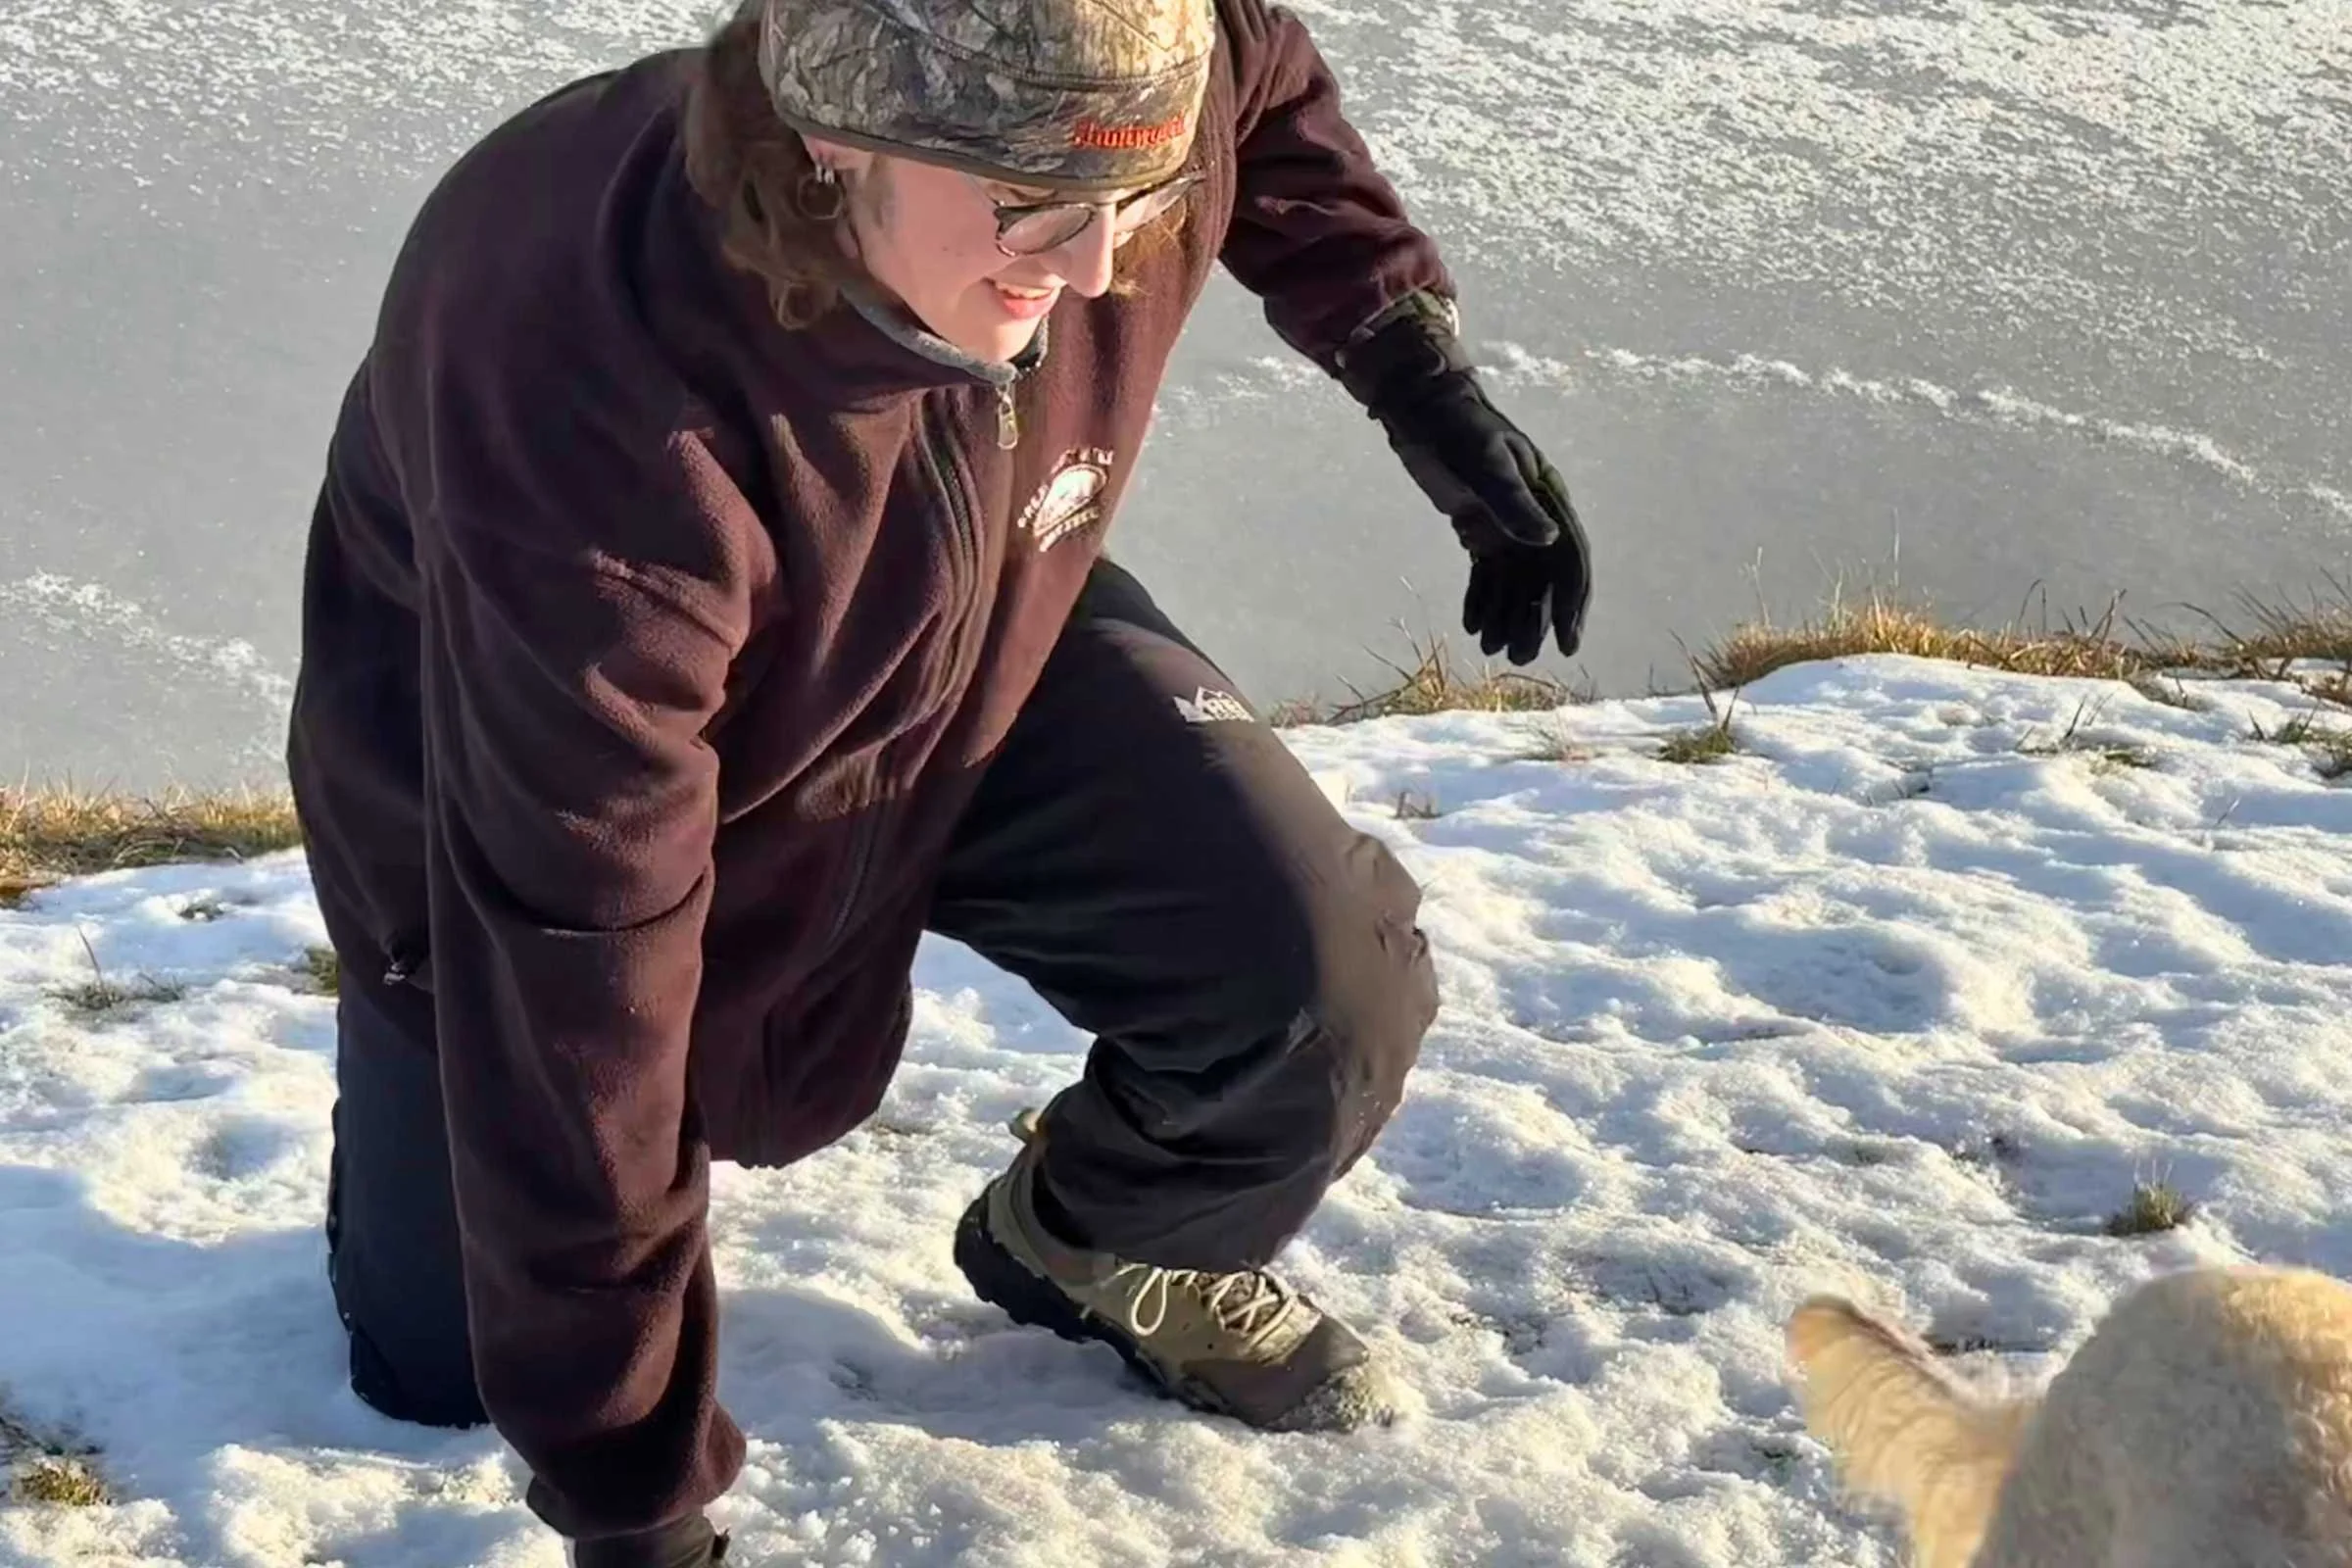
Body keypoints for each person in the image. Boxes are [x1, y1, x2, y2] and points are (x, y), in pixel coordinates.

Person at [284, 0, 1592, 1560]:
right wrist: (637, 1505)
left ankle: (1101, 1239)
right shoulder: (595, 403)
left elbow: (1257, 77)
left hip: (976, 613)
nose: (1096, 269)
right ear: (834, 142)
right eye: (1035, 204)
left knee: (1322, 976)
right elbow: (574, 967)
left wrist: (1411, 363)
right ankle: (412, 1156)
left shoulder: (1112, 87)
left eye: (1140, 195)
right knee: (463, 1362)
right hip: (538, 772)